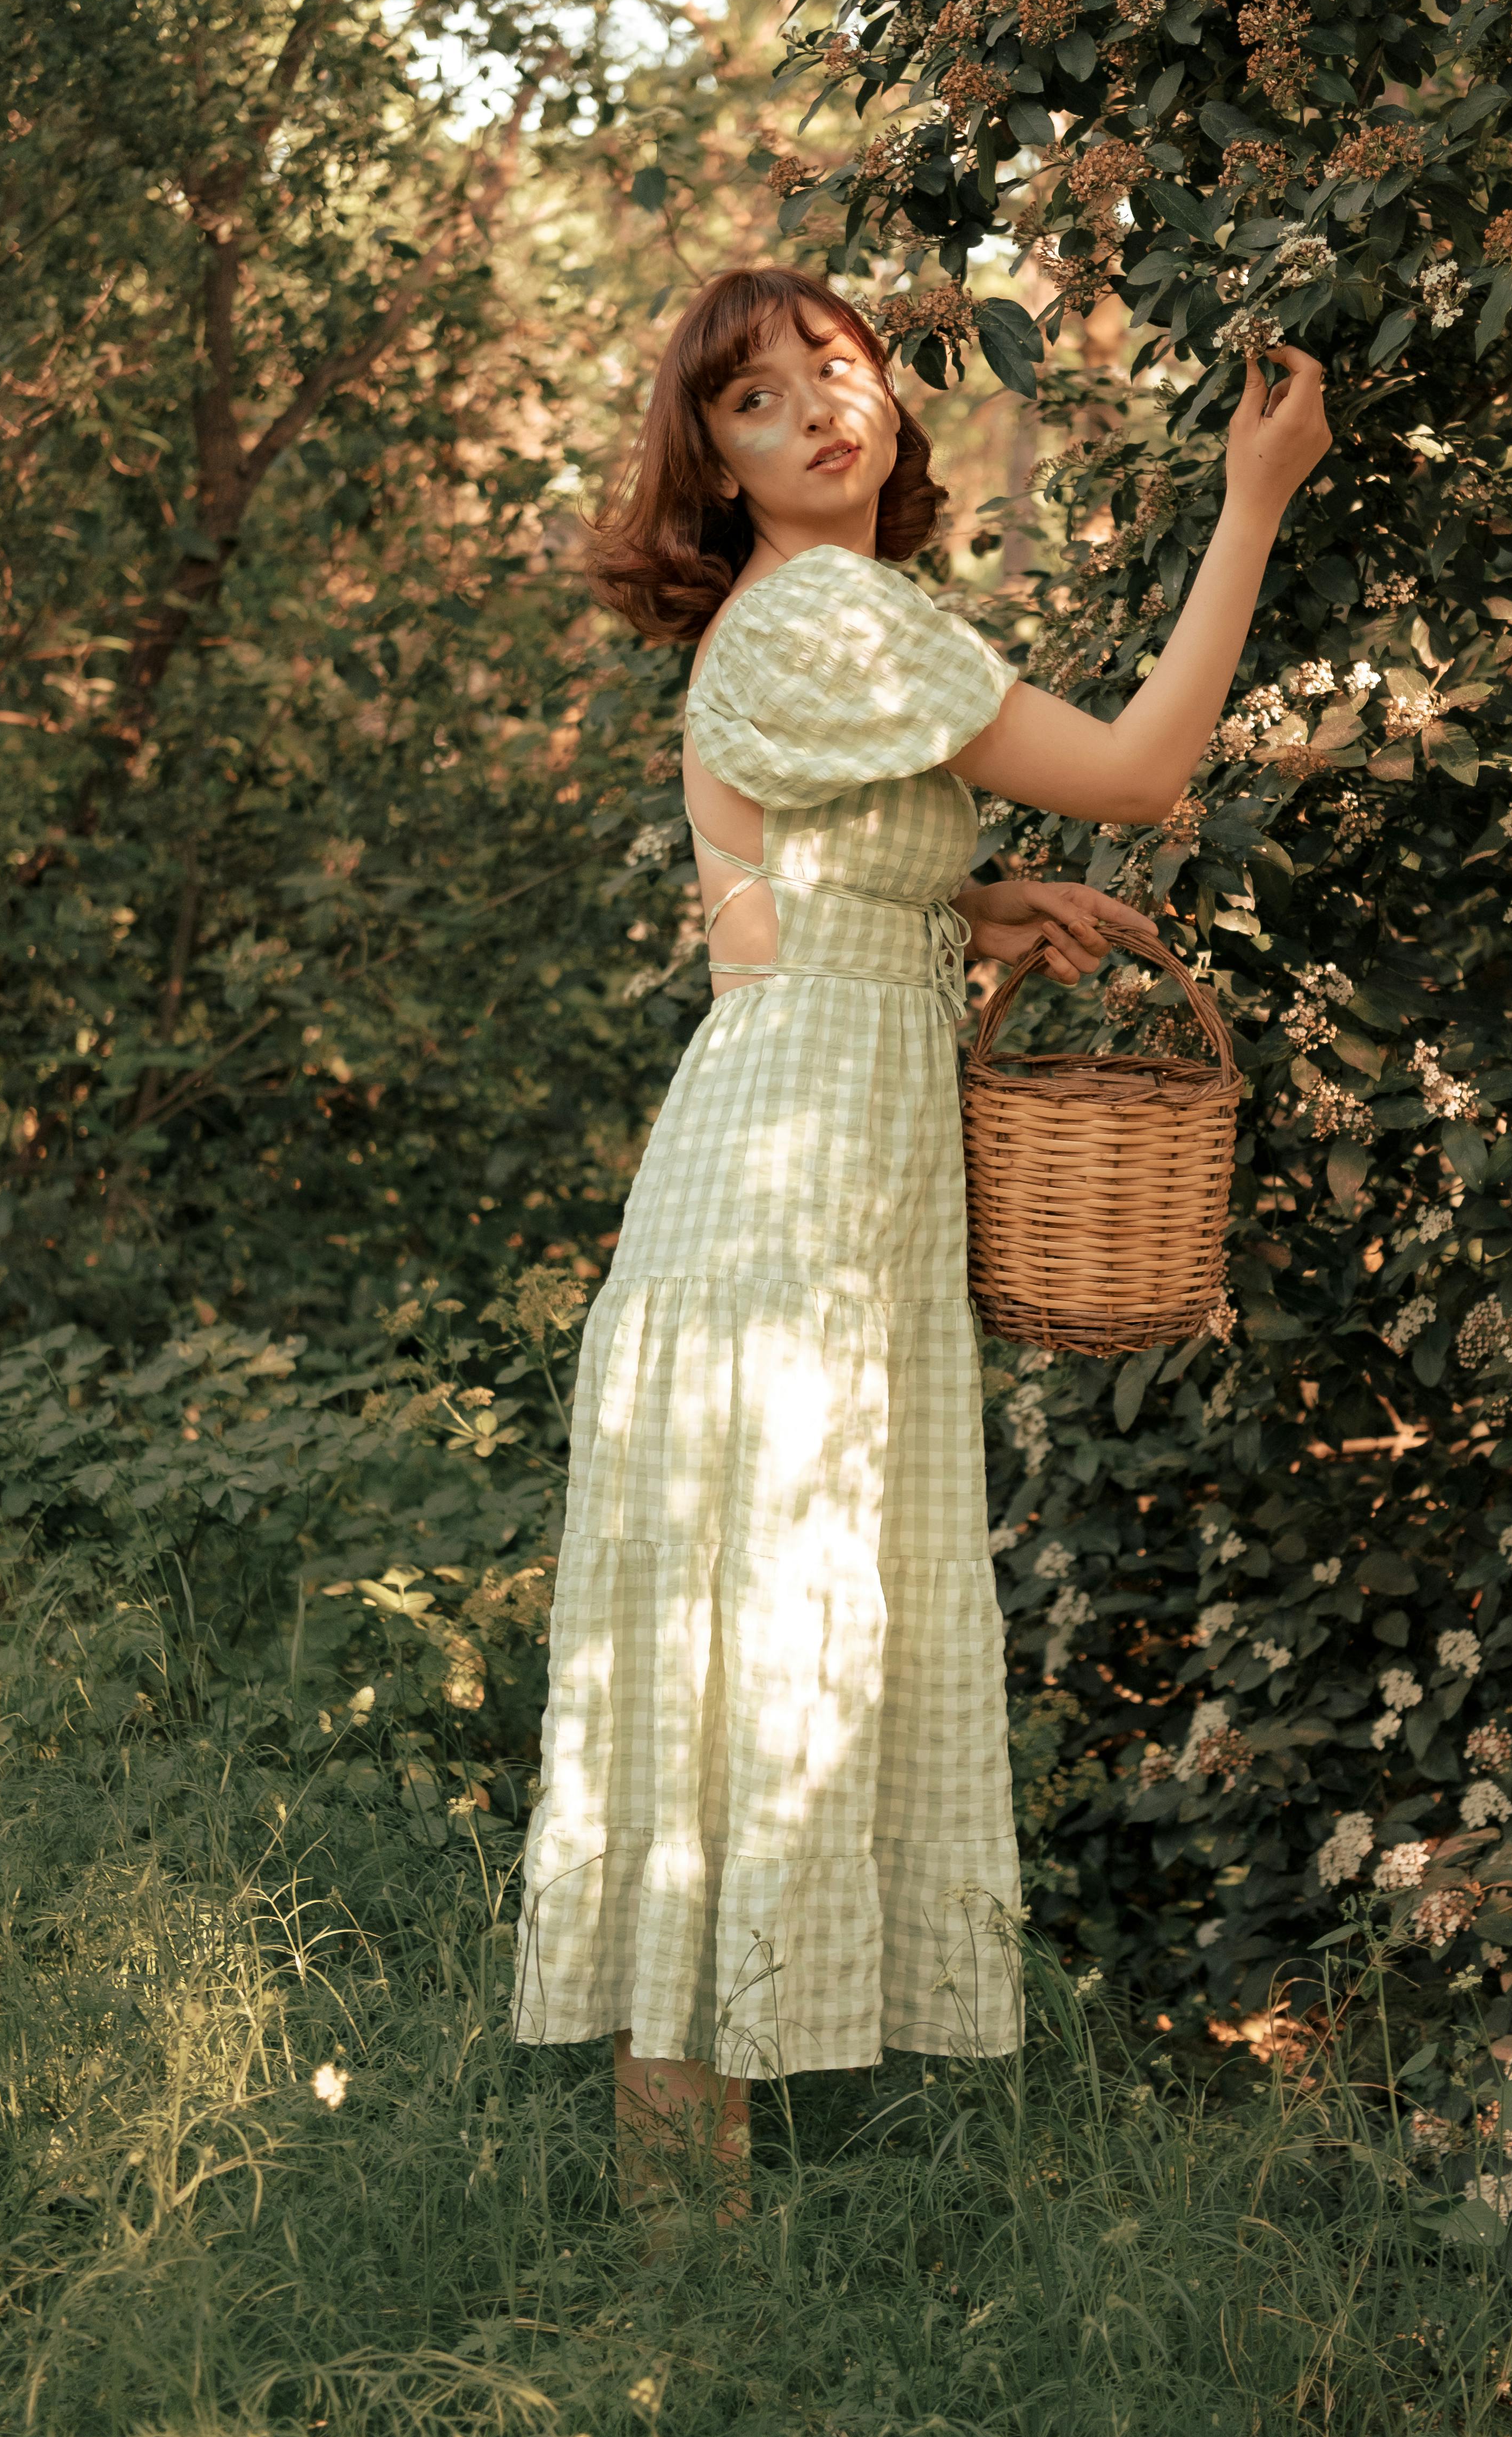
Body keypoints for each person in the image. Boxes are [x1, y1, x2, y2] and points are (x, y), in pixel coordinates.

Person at [511, 264, 1329, 2205]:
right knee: (744, 1660)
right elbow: (1142, 772)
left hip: (787, 1177)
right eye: (754, 403)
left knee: (735, 1670)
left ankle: (676, 2231)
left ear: (889, 400)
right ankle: (673, 2246)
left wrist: (959, 909)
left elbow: (767, 922)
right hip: (789, 1212)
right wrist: (1255, 502)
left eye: (840, 369)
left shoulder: (796, 637)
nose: (816, 408)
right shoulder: (831, 610)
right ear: (710, 469)